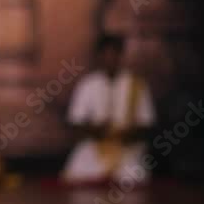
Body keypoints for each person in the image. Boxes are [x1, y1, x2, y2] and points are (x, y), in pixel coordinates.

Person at [62, 34, 156, 185]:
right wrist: (96, 129)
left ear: (121, 56)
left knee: (133, 176)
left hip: (126, 146)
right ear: (99, 56)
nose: (110, 58)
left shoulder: (137, 85)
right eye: (106, 54)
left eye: (114, 54)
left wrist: (128, 132)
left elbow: (147, 124)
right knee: (78, 173)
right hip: (96, 145)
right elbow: (75, 123)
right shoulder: (87, 85)